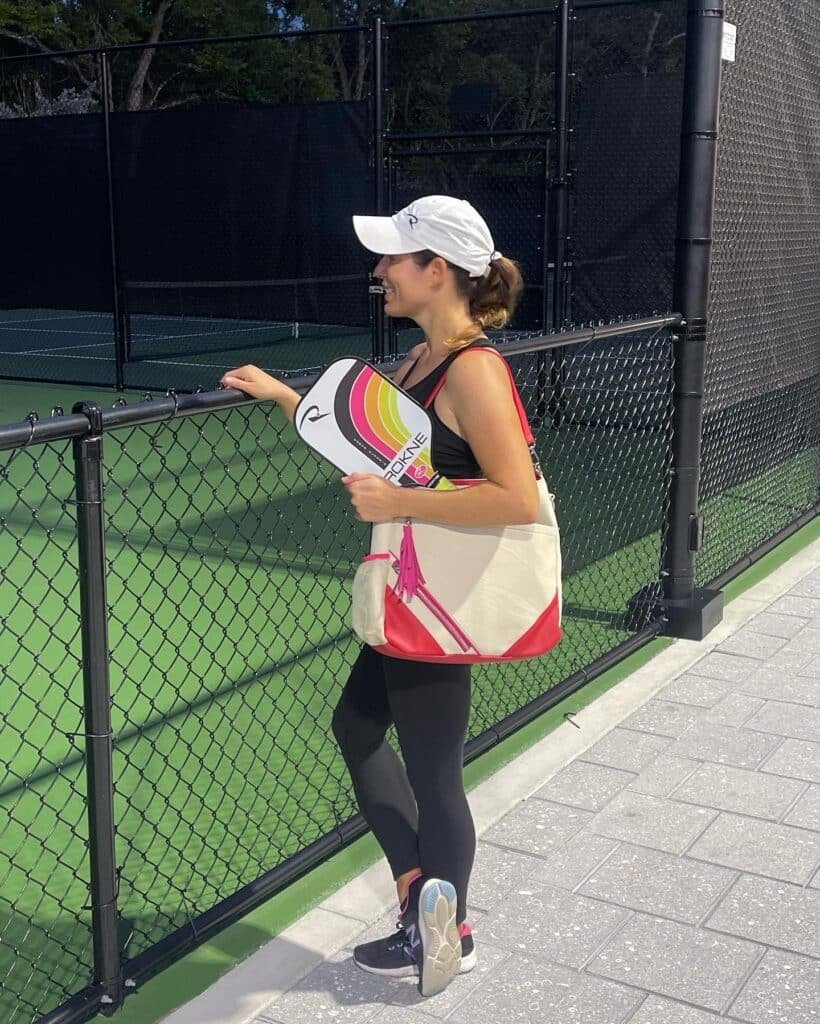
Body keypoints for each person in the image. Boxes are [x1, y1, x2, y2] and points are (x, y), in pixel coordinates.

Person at [220, 194, 538, 997]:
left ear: (439, 272)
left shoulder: (475, 371)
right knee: (358, 727)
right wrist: (288, 400)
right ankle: (418, 898)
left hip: (441, 594)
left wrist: (401, 505)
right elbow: (379, 452)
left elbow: (517, 499)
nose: (379, 272)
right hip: (412, 589)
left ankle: (448, 932)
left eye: (395, 259)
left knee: (433, 769)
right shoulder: (418, 363)